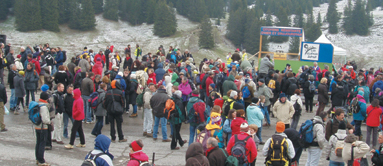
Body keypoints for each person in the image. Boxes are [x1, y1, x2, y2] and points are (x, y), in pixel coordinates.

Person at [34, 92, 51, 166]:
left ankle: (37, 158)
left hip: (37, 126)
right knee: (42, 144)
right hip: (43, 127)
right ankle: (41, 160)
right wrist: (49, 122)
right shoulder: (44, 107)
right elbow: (45, 119)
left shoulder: (38, 104)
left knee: (38, 143)